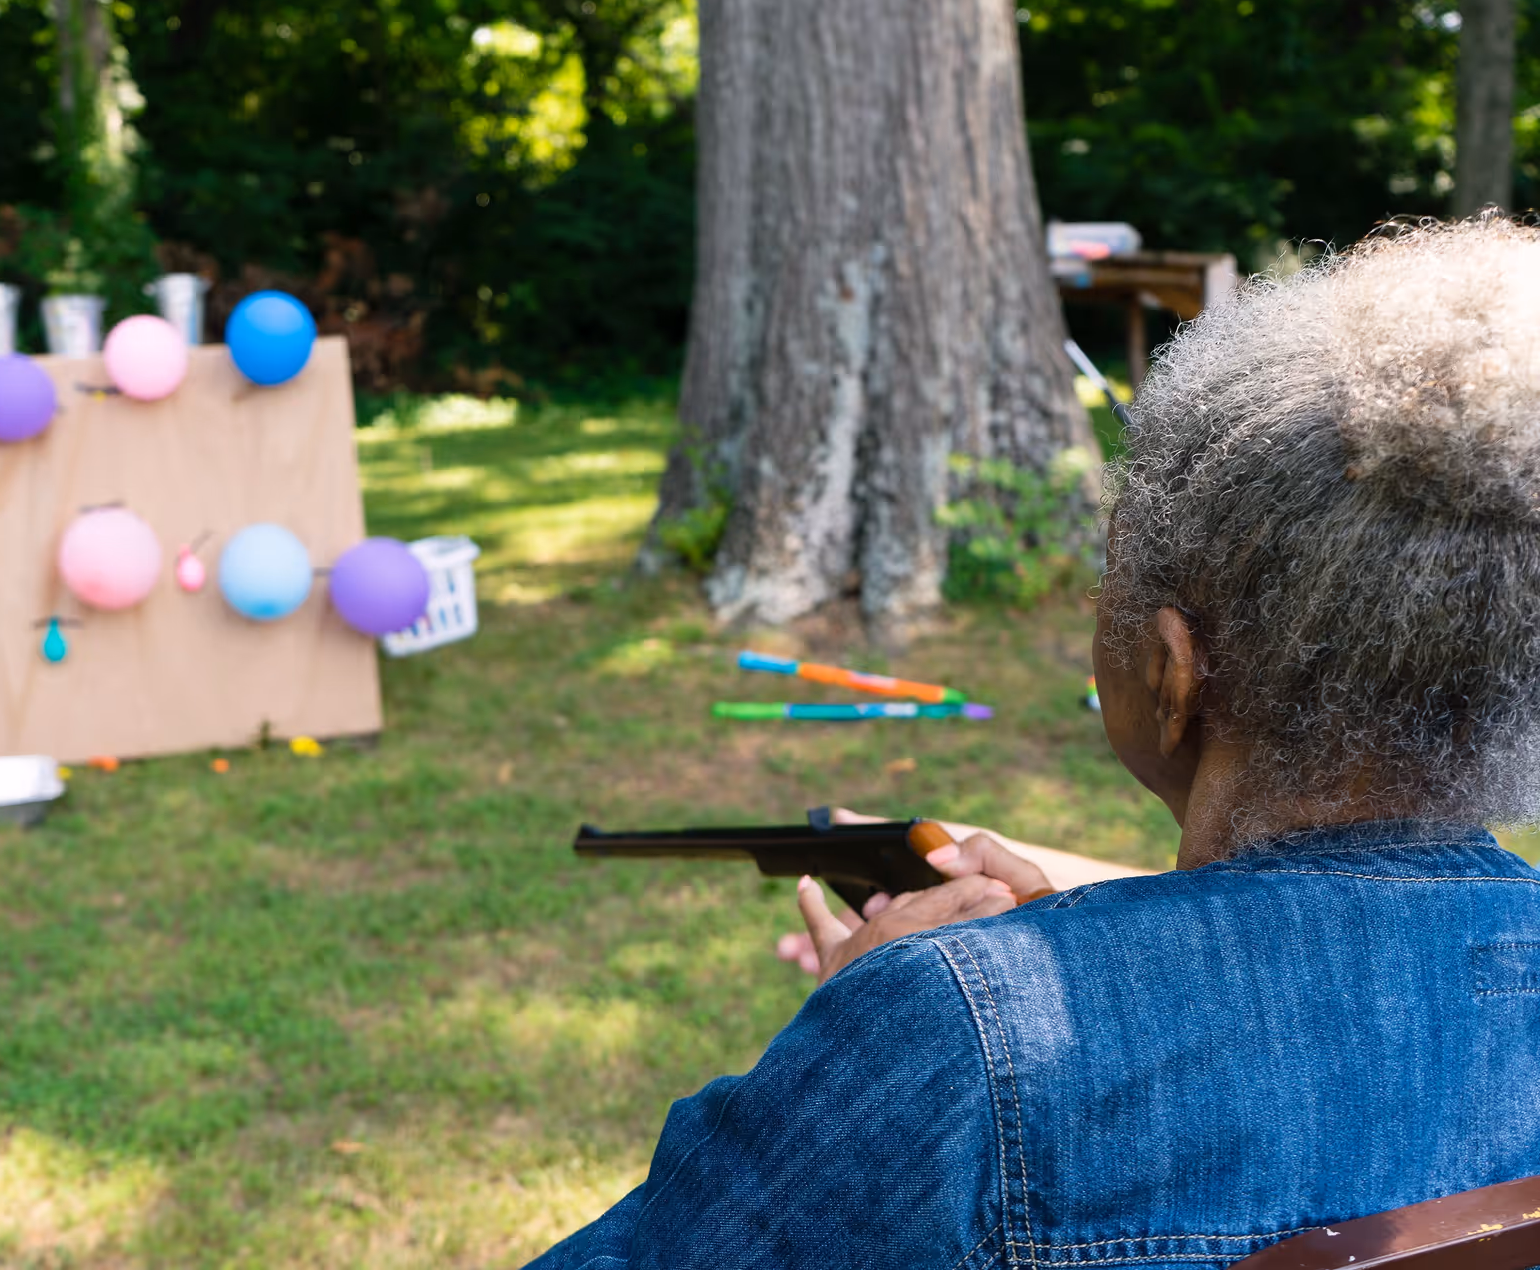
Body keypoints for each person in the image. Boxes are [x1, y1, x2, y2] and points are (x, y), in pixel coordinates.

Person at [522, 218, 1540, 1270]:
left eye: (1113, 580)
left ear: (1171, 671)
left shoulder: (956, 1037)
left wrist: (875, 1044)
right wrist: (1075, 959)